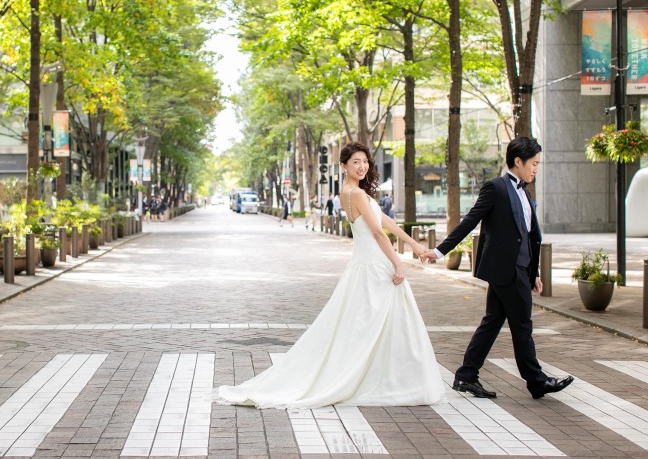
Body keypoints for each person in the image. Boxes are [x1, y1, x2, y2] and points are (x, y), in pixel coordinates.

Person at [216, 142, 444, 408]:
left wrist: (415, 245)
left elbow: (385, 221)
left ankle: (384, 376)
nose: (362, 166)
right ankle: (389, 379)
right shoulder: (356, 194)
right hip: (374, 266)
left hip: (365, 265)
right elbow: (377, 232)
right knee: (374, 325)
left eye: (365, 161)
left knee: (364, 325)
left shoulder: (349, 192)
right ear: (344, 166)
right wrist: (398, 263)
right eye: (356, 162)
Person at [420, 136, 574, 400]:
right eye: (534, 163)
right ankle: (537, 381)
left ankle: (467, 375)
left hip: (520, 270)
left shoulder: (524, 191)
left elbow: (529, 236)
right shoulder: (496, 188)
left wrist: (534, 272)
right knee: (522, 325)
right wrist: (438, 251)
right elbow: (470, 221)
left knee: (492, 323)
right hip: (507, 270)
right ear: (518, 161)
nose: (536, 169)